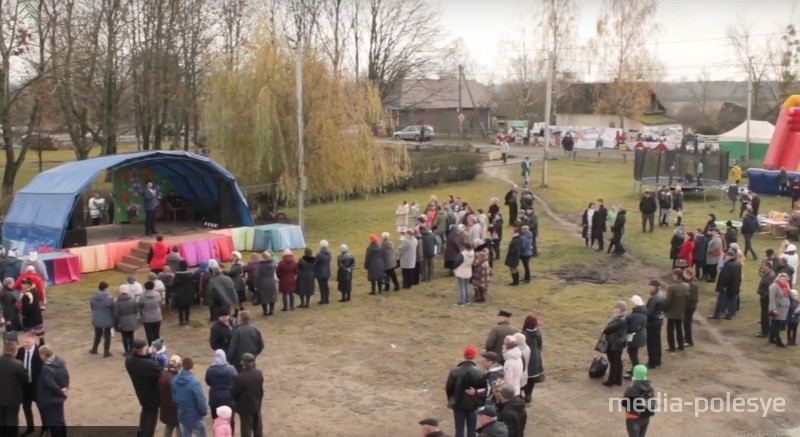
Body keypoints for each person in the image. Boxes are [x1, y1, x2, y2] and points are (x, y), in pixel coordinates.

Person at [126, 338, 162, 437]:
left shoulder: (129, 360)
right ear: (142, 349)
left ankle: (142, 432)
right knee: (151, 417)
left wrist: (149, 355)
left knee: (145, 413)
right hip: (151, 394)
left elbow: (142, 360)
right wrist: (152, 355)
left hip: (141, 392)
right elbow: (159, 371)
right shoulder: (147, 364)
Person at [444, 346, 483, 437]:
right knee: (472, 428)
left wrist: (452, 399)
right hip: (473, 404)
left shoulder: (455, 371)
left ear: (464, 355)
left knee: (459, 428)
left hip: (458, 403)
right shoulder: (479, 371)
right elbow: (482, 388)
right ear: (474, 356)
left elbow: (448, 388)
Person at [36, 346, 69, 437]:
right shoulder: (61, 362)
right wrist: (65, 389)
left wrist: (60, 392)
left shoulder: (46, 368)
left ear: (43, 355)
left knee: (54, 423)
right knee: (61, 420)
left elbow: (50, 385)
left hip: (50, 399)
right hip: (60, 398)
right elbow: (66, 376)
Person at [172, 357, 208, 437]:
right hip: (195, 417)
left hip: (182, 416)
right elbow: (201, 400)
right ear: (192, 366)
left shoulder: (174, 380)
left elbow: (174, 398)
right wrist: (203, 412)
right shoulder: (194, 382)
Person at [17, 332, 44, 435]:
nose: (25, 344)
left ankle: (45, 428)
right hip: (24, 386)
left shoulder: (40, 353)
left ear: (33, 341)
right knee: (26, 407)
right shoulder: (20, 352)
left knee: (41, 407)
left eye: (27, 342)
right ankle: (30, 427)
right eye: (24, 342)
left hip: (37, 386)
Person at [231, 353, 264, 437]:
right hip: (256, 404)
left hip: (245, 407)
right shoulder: (258, 373)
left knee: (246, 430)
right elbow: (260, 389)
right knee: (258, 428)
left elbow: (234, 393)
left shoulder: (240, 377)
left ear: (242, 363)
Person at [206, 350, 237, 431]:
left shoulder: (210, 370)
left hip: (215, 398)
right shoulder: (231, 369)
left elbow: (208, 382)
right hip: (229, 398)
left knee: (216, 421)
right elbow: (236, 381)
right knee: (230, 421)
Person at [622, 365, 655, 437]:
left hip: (633, 417)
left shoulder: (632, 388)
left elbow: (624, 402)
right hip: (646, 416)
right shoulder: (650, 385)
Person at [0, 340, 27, 431]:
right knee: (12, 420)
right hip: (13, 398)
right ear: (15, 351)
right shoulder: (17, 364)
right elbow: (25, 380)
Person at [602, 301, 628, 387]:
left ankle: (611, 381)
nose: (616, 310)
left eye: (618, 308)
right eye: (616, 307)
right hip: (619, 342)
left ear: (622, 309)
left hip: (615, 343)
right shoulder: (623, 317)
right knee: (618, 361)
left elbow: (609, 330)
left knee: (613, 362)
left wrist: (604, 329)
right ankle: (618, 379)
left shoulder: (620, 320)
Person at [711, 250, 742, 320]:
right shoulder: (738, 264)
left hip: (726, 287)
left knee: (721, 300)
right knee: (732, 301)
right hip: (734, 286)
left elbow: (725, 277)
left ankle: (717, 314)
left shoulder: (728, 265)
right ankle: (730, 315)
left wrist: (723, 286)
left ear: (729, 256)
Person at [664, 269, 688, 352]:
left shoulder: (671, 287)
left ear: (676, 276)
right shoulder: (686, 286)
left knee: (670, 330)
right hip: (681, 311)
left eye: (674, 275)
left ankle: (672, 347)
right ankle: (681, 346)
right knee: (679, 328)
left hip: (672, 312)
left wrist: (664, 309)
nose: (673, 276)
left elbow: (668, 301)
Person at [521, 314, 543, 404]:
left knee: (526, 377)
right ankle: (529, 394)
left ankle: (525, 394)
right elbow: (540, 344)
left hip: (527, 357)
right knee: (532, 378)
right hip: (536, 357)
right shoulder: (538, 332)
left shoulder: (524, 334)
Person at [89, 281, 115, 358]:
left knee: (97, 334)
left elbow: (92, 307)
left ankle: (94, 349)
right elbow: (112, 308)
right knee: (107, 336)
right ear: (105, 288)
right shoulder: (109, 298)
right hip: (107, 318)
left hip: (96, 318)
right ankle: (106, 352)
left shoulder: (93, 297)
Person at [158, 355, 182, 437]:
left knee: (169, 425)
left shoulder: (162, 375)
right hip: (175, 408)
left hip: (165, 406)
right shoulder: (176, 379)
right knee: (179, 427)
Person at [624, 295, 647, 379]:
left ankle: (635, 372)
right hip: (638, 337)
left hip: (635, 338)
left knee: (633, 354)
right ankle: (634, 369)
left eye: (632, 302)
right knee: (632, 353)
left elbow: (632, 328)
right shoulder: (639, 312)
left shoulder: (637, 315)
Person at [19, 278, 45, 346]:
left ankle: (34, 343)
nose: (22, 285)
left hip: (30, 315)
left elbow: (27, 306)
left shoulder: (27, 294)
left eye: (24, 284)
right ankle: (41, 341)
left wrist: (23, 314)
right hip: (36, 313)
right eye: (22, 284)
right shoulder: (34, 290)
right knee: (39, 329)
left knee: (31, 331)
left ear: (28, 285)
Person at [768, 273, 791, 347]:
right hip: (777, 309)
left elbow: (791, 296)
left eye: (785, 279)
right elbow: (771, 299)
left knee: (775, 324)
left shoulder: (785, 286)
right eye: (782, 279)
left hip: (783, 309)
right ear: (778, 278)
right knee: (776, 325)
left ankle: (771, 339)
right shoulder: (774, 286)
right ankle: (778, 340)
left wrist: (788, 288)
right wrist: (773, 309)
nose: (784, 280)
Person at [171, 261, 195, 325]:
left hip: (180, 292)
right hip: (188, 291)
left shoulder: (177, 274)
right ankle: (187, 319)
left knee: (180, 308)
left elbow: (174, 283)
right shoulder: (190, 273)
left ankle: (181, 320)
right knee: (187, 307)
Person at [140, 281, 164, 345]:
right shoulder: (158, 294)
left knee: (149, 334)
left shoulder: (142, 296)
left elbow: (140, 306)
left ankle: (151, 348)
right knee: (156, 333)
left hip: (147, 318)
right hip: (157, 316)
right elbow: (160, 304)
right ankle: (158, 347)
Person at [683, 269, 700, 347]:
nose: (683, 275)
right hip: (691, 306)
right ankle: (686, 338)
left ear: (688, 274)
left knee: (687, 323)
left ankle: (689, 341)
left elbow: (691, 297)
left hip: (689, 306)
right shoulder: (694, 281)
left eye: (684, 273)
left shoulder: (691, 284)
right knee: (686, 323)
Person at [314, 240, 332, 304]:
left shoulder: (319, 254)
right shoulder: (329, 253)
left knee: (321, 286)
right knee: (326, 285)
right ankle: (326, 299)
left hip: (320, 272)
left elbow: (315, 263)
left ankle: (322, 299)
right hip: (327, 271)